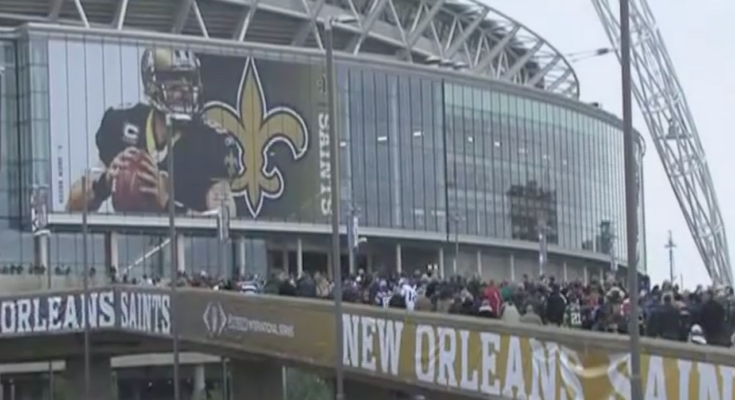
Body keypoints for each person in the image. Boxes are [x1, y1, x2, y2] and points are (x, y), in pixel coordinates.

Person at [65, 48, 244, 215]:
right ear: (153, 86)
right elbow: (71, 206)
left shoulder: (210, 141)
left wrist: (167, 203)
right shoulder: (122, 124)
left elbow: (223, 227)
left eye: (189, 80)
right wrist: (104, 183)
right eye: (175, 81)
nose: (185, 89)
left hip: (185, 248)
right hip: (128, 242)